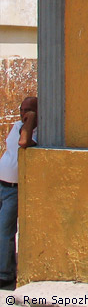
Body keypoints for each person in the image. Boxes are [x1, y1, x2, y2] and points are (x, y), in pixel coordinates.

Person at [0, 96, 37, 287]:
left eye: (28, 110)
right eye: (22, 110)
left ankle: (5, 274)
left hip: (14, 189)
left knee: (5, 232)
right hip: (2, 184)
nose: (23, 114)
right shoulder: (16, 125)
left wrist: (31, 119)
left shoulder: (36, 131)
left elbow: (24, 142)